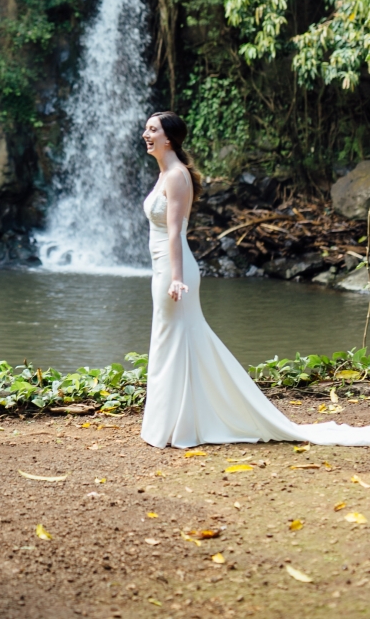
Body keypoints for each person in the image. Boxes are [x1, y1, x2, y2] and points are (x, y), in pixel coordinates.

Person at [141, 110, 370, 448]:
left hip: (175, 271)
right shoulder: (166, 174)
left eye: (152, 129)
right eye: (146, 129)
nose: (146, 134)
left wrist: (176, 278)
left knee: (174, 339)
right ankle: (176, 423)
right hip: (164, 268)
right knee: (171, 340)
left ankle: (180, 425)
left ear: (169, 138)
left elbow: (175, 232)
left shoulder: (176, 176)